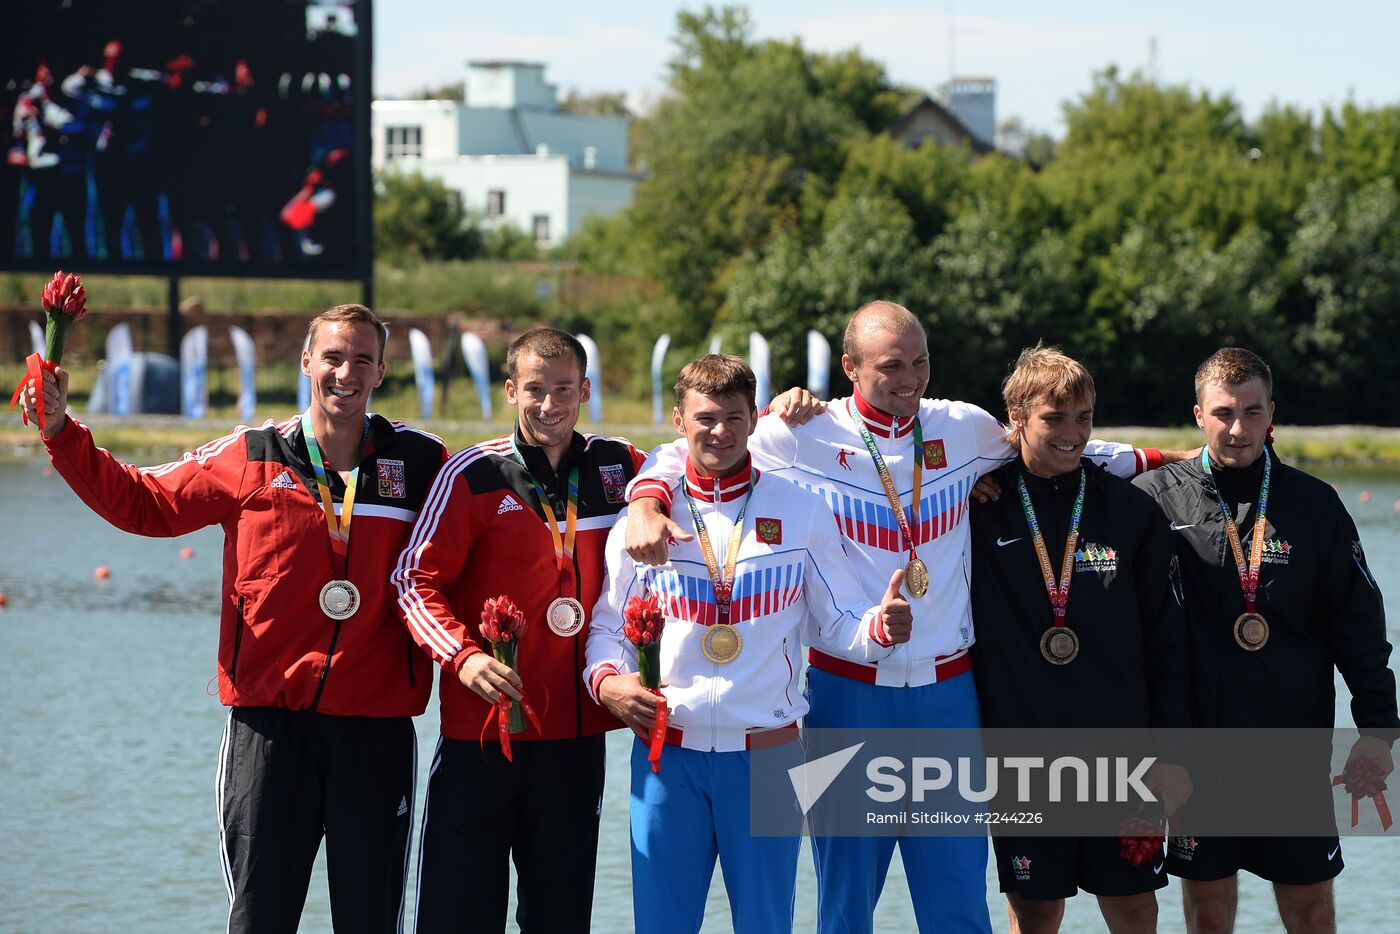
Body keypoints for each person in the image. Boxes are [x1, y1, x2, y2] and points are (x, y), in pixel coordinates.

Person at [625, 302, 1183, 933]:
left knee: (957, 905)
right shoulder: (801, 433)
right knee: (845, 906)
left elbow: (1065, 444)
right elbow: (695, 448)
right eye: (892, 366)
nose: (911, 379)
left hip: (949, 697)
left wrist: (1191, 458)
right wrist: (645, 502)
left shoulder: (964, 429)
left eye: (921, 362)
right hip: (845, 697)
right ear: (850, 368)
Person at [20, 303, 448, 933]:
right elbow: (144, 502)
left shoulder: (419, 464)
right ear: (306, 362)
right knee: (259, 921)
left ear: (382, 369)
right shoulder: (251, 455)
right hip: (267, 734)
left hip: (375, 735)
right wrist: (62, 430)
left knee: (371, 922)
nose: (345, 372)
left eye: (362, 358)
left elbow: (481, 546)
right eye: (332, 356)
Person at [584, 354, 913, 934]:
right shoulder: (642, 520)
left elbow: (839, 624)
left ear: (754, 419)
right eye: (705, 417)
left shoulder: (801, 508)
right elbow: (608, 628)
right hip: (668, 757)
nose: (720, 431)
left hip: (768, 757)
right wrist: (609, 683)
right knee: (660, 925)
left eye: (734, 417)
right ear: (677, 418)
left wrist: (880, 628)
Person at [1132, 347, 1399, 934]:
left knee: (1310, 913)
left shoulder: (1315, 503)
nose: (1237, 428)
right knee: (1207, 915)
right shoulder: (1154, 499)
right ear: (1197, 414)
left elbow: (1360, 626)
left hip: (1292, 750)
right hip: (1196, 751)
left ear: (1271, 413)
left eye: (1252, 412)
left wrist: (1379, 731)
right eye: (1223, 412)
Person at [390, 328, 648, 933]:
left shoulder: (623, 467)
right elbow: (411, 580)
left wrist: (782, 414)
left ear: (585, 389)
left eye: (564, 389)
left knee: (559, 921)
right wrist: (463, 656)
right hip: (482, 738)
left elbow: (710, 449)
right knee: (458, 919)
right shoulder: (472, 474)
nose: (550, 404)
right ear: (511, 390)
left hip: (574, 741)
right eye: (535, 389)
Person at [970, 346, 1192, 933]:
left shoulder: (1130, 510)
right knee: (1036, 912)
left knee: (1133, 908)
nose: (1073, 434)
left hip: (1124, 760)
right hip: (1021, 759)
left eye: (1085, 417)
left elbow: (1168, 644)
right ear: (1016, 418)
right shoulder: (977, 508)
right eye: (1055, 419)